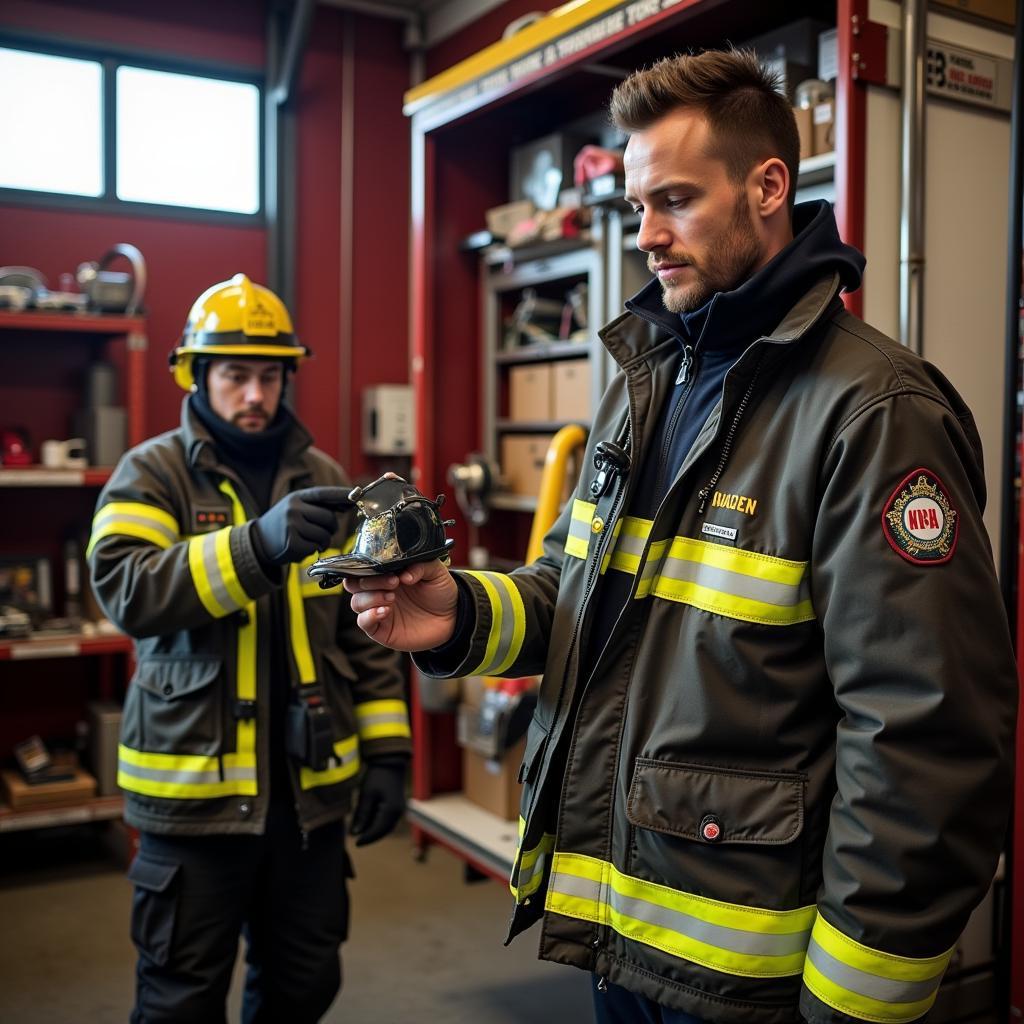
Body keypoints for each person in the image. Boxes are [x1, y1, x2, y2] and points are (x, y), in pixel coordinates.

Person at [342, 50, 1017, 1024]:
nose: (647, 235)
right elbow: (582, 595)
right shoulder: (647, 383)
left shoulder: (874, 412)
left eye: (674, 200)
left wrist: (854, 1002)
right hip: (629, 937)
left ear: (768, 187)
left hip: (762, 978)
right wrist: (456, 613)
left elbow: (924, 733)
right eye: (635, 206)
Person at [87, 274, 410, 1023]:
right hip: (193, 805)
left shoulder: (323, 479)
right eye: (235, 374)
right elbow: (125, 589)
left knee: (302, 986)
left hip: (307, 800)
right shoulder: (153, 471)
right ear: (196, 375)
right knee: (180, 1001)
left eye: (269, 374)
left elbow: (366, 627)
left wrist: (390, 753)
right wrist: (254, 545)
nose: (255, 393)